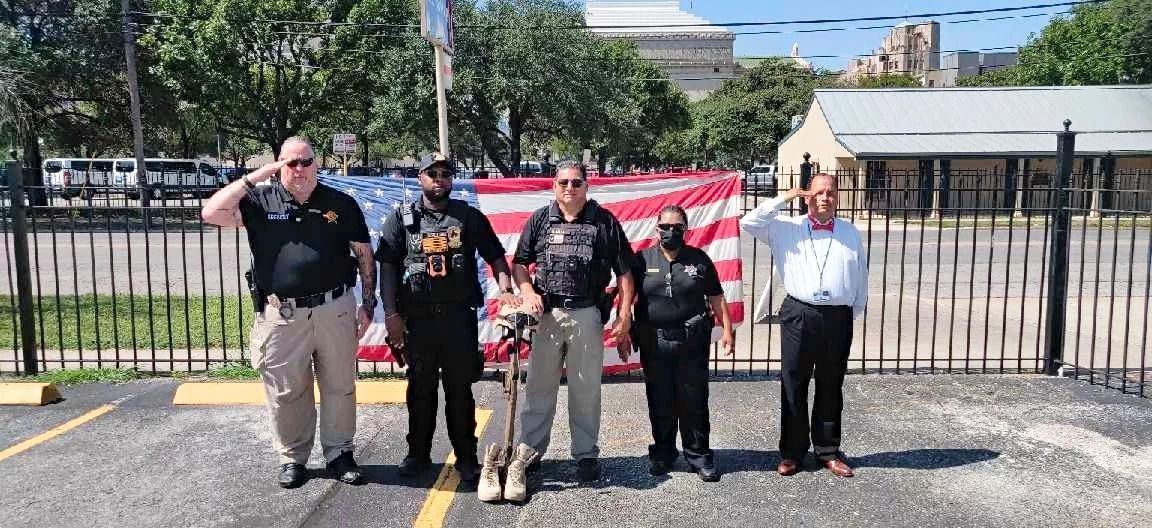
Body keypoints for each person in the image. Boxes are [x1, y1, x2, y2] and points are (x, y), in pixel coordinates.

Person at [201, 136, 375, 489]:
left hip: (335, 309)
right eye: (289, 163)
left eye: (305, 161)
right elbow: (211, 212)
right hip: (281, 315)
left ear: (317, 163)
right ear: (279, 165)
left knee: (340, 386)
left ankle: (340, 453)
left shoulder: (340, 202)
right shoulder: (259, 201)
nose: (298, 169)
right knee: (286, 391)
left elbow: (363, 253)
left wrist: (368, 302)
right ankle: (293, 458)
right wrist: (257, 175)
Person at [375, 152, 516, 484]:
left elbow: (495, 256)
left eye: (445, 173)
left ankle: (466, 457)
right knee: (420, 391)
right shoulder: (401, 219)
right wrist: (392, 314)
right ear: (420, 178)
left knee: (460, 391)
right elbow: (388, 268)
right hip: (418, 321)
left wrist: (506, 289)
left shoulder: (467, 217)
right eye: (432, 173)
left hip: (458, 319)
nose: (439, 179)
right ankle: (418, 455)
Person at [504, 161, 635, 496]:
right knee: (538, 388)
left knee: (585, 389)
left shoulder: (604, 222)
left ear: (586, 187)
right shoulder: (540, 219)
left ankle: (586, 454)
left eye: (577, 183)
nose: (570, 188)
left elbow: (624, 274)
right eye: (564, 182)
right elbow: (519, 264)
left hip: (587, 314)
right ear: (554, 185)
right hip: (548, 315)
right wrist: (529, 292)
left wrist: (623, 316)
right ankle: (530, 451)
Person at [739, 173, 868, 478]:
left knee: (830, 383)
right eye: (819, 192)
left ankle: (827, 451)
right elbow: (748, 222)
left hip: (837, 316)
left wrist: (852, 311)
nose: (826, 197)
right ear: (808, 196)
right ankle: (792, 452)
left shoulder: (850, 232)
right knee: (794, 383)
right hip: (799, 313)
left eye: (831, 193)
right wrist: (786, 198)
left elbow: (861, 274)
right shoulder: (785, 228)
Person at [629, 205, 734, 482]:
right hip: (654, 341)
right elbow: (627, 297)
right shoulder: (641, 260)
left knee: (694, 399)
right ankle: (663, 453)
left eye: (677, 227)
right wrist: (624, 331)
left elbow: (716, 296)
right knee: (660, 399)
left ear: (685, 229)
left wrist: (727, 331)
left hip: (691, 341)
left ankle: (698, 455)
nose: (670, 232)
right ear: (656, 229)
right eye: (665, 227)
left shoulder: (698, 259)